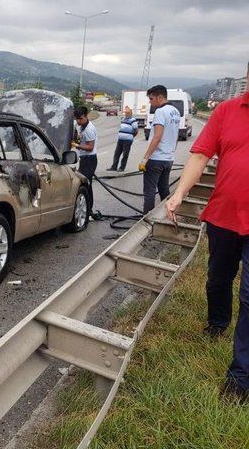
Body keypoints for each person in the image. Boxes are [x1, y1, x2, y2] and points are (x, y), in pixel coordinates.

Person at [166, 89, 249, 403]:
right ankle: (217, 323)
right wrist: (179, 194)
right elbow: (200, 155)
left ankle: (240, 378)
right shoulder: (227, 111)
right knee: (218, 280)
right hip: (224, 216)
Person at [139, 85, 180, 213]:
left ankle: (147, 221)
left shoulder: (160, 112)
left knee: (149, 191)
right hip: (168, 159)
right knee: (164, 190)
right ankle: (166, 215)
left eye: (151, 99)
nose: (150, 102)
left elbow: (157, 137)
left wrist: (145, 159)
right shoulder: (175, 111)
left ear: (160, 97)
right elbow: (175, 136)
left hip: (156, 159)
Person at [71, 106, 98, 215]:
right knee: (85, 185)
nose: (78, 121)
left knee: (86, 185)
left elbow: (90, 147)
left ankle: (89, 211)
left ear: (86, 117)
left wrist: (77, 145)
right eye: (77, 119)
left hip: (89, 160)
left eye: (81, 118)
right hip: (85, 159)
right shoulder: (82, 126)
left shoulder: (89, 129)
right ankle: (88, 210)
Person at [108, 106, 138, 172]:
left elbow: (136, 131)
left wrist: (131, 136)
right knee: (117, 153)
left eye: (128, 113)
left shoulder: (133, 120)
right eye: (125, 113)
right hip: (120, 139)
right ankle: (114, 167)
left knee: (125, 154)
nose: (126, 114)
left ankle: (122, 168)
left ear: (131, 113)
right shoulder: (123, 119)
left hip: (127, 140)